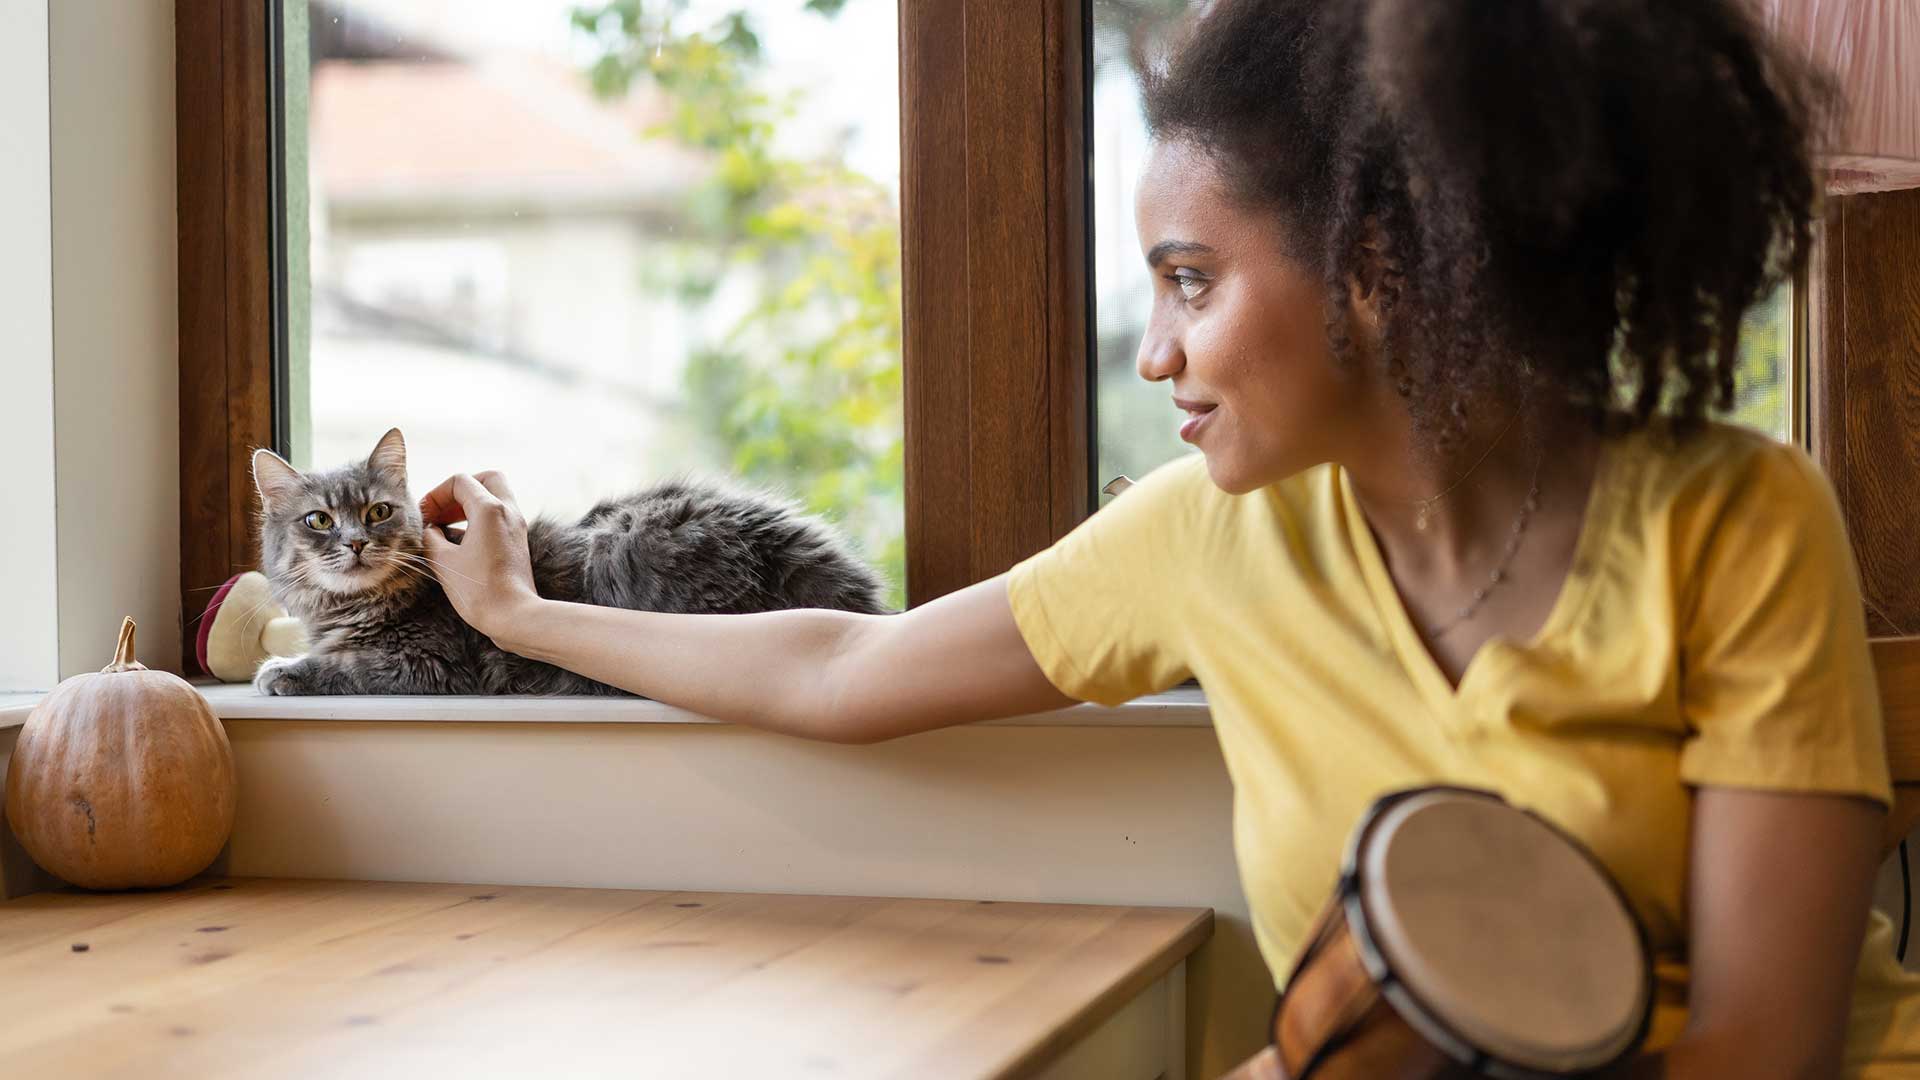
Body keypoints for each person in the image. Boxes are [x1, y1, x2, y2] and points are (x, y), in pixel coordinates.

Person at [419, 0, 1920, 1073]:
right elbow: (844, 667)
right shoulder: (1209, 535)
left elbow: (1760, 1051)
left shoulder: (1737, 519)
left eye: (1192, 279)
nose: (1155, 354)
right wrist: (524, 619)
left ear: (1378, 270)